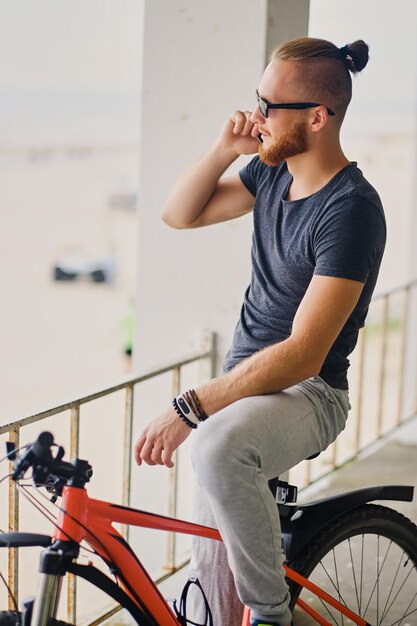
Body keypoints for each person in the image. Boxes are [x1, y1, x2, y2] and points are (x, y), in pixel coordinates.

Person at [134, 37, 386, 626]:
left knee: (217, 447)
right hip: (243, 389)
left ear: (318, 118)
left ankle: (274, 617)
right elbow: (180, 213)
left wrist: (188, 406)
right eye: (257, 99)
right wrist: (224, 147)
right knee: (213, 585)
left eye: (270, 105)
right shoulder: (270, 173)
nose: (256, 116)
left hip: (309, 393)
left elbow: (302, 355)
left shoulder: (350, 210)